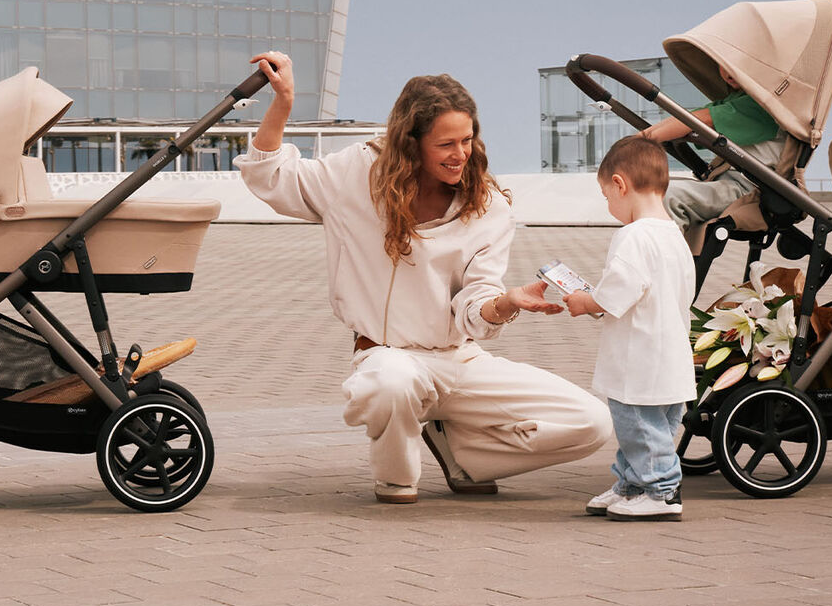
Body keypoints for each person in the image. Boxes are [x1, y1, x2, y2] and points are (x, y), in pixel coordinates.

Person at [236, 51, 613, 504]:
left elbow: (476, 306)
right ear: (411, 142)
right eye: (446, 144)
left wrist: (509, 301)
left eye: (467, 140)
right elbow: (269, 176)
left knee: (593, 423)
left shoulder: (488, 206)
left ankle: (466, 454)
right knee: (391, 384)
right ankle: (397, 477)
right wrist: (284, 101)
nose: (461, 156)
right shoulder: (356, 173)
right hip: (387, 358)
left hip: (459, 362)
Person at [565, 137, 698, 521]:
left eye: (606, 195)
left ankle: (661, 490)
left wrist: (584, 301)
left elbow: (618, 292)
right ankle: (632, 483)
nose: (608, 206)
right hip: (670, 357)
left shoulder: (633, 236)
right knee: (647, 430)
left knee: (639, 427)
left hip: (640, 360)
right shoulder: (674, 234)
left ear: (620, 184)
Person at [638, 78, 795, 233]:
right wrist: (643, 136)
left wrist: (640, 141)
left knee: (665, 197)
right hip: (727, 183)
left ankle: (666, 256)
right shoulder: (736, 99)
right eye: (722, 66)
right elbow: (691, 117)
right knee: (652, 188)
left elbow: (703, 120)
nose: (727, 73)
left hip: (748, 191)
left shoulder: (763, 106)